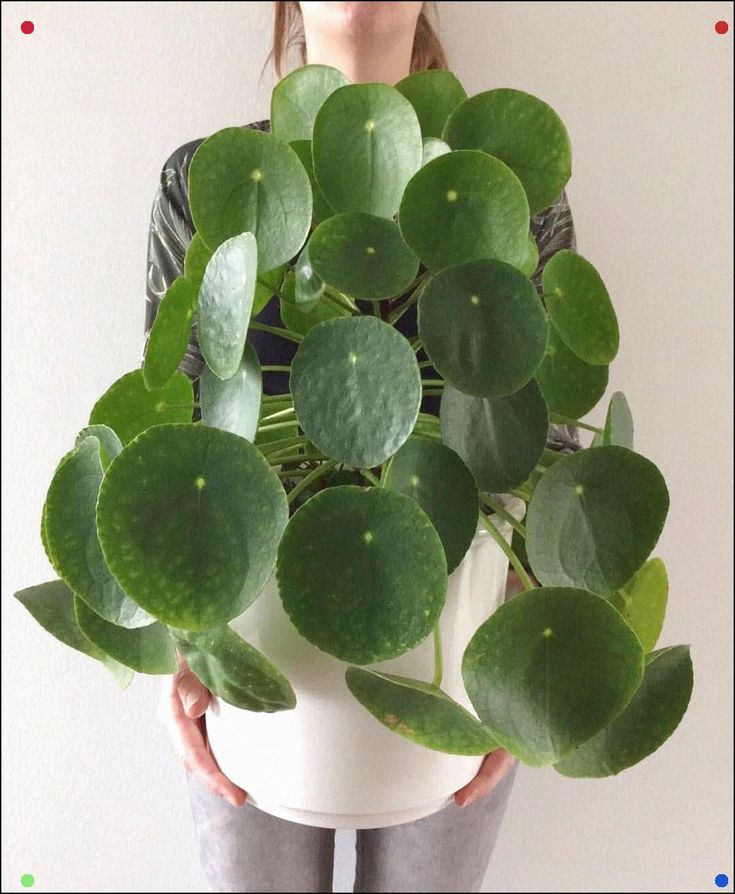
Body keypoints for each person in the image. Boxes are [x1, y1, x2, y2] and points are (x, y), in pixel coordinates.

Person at [144, 4, 580, 891]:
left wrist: (520, 670)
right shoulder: (209, 178)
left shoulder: (504, 184)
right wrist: (181, 644)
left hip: (452, 644)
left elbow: (549, 437)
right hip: (258, 652)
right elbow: (167, 434)